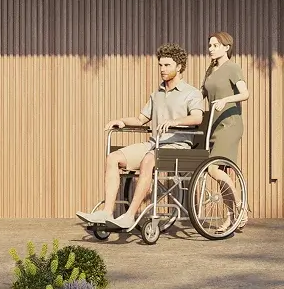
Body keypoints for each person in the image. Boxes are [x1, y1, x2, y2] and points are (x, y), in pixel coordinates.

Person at [88, 44, 205, 230]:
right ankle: (107, 212)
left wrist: (175, 121)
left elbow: (198, 117)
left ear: (179, 67)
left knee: (149, 159)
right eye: (160, 65)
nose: (162, 69)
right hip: (153, 144)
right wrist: (121, 121)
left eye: (167, 65)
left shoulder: (191, 93)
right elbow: (141, 119)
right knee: (113, 158)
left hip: (177, 146)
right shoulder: (156, 94)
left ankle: (129, 215)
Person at [201, 32, 250, 223]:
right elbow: (201, 94)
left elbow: (245, 94)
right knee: (222, 171)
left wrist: (226, 100)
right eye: (210, 45)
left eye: (215, 45)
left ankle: (240, 206)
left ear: (226, 47)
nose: (211, 49)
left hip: (230, 124)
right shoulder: (210, 71)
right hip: (214, 124)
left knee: (213, 168)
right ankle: (230, 218)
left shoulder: (232, 68)